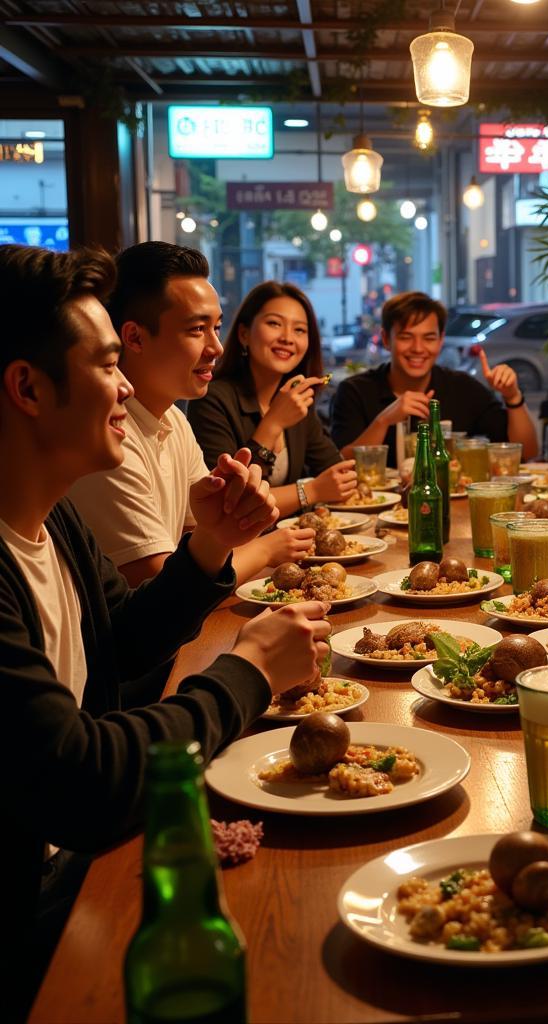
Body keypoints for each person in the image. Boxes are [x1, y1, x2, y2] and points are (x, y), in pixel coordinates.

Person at [0, 245, 331, 998]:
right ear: (28, 387)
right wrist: (245, 673)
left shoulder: (52, 524)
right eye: (107, 365)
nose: (125, 389)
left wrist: (209, 547)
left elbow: (124, 644)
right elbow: (80, 778)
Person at [69, 243, 315, 585]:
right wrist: (267, 549)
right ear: (134, 337)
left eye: (216, 327)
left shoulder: (172, 419)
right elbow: (162, 588)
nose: (217, 347)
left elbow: (202, 542)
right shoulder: (108, 439)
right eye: (198, 329)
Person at [188, 281, 359, 515]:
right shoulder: (212, 399)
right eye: (274, 324)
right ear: (244, 334)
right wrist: (274, 423)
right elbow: (228, 501)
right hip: (243, 547)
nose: (288, 338)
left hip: (295, 540)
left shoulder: (296, 399)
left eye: (299, 329)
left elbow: (336, 473)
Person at [329, 291, 539, 463]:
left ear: (440, 341)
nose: (418, 348)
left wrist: (512, 396)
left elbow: (526, 452)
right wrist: (384, 420)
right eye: (406, 337)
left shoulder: (461, 388)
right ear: (386, 339)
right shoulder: (355, 391)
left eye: (429, 338)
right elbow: (341, 465)